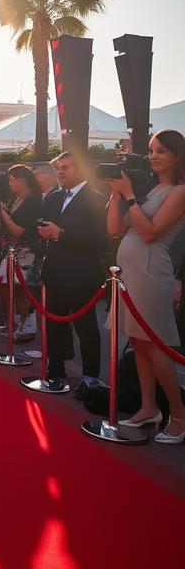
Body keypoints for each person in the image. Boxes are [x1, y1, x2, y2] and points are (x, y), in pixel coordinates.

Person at [108, 130, 185, 442]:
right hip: (129, 272)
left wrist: (128, 195)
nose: (153, 156)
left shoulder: (179, 191)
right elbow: (115, 228)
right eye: (151, 150)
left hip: (152, 273)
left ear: (177, 156)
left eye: (161, 151)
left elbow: (151, 232)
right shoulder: (151, 190)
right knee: (138, 342)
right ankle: (148, 407)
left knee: (153, 345)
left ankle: (179, 414)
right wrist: (116, 193)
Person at [39, 152, 107, 393]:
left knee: (86, 328)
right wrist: (46, 232)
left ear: (80, 170)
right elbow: (48, 226)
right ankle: (55, 370)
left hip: (82, 275)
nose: (60, 171)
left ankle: (90, 377)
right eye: (58, 167)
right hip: (54, 271)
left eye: (66, 167)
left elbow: (100, 241)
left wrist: (61, 234)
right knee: (54, 326)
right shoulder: (54, 198)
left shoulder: (97, 199)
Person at [0, 165, 44, 342]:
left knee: (22, 290)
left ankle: (27, 327)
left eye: (13, 179)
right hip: (12, 250)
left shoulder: (34, 200)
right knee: (4, 284)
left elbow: (19, 230)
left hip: (27, 251)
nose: (10, 183)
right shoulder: (17, 197)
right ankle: (15, 321)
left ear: (24, 179)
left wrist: (4, 215)